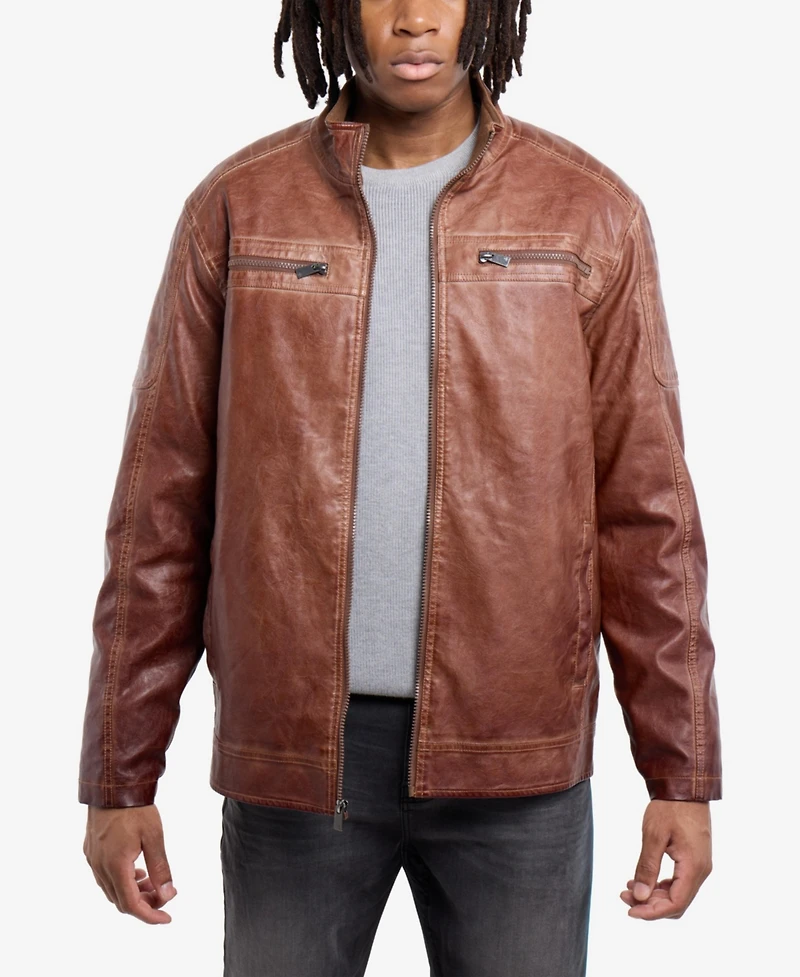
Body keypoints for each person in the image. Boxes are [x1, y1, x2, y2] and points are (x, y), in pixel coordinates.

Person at [79, 1, 723, 974]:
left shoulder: (586, 212)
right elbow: (160, 507)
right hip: (296, 761)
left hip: (518, 762)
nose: (415, 18)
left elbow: (648, 515)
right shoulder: (240, 206)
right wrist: (118, 775)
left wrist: (681, 771)